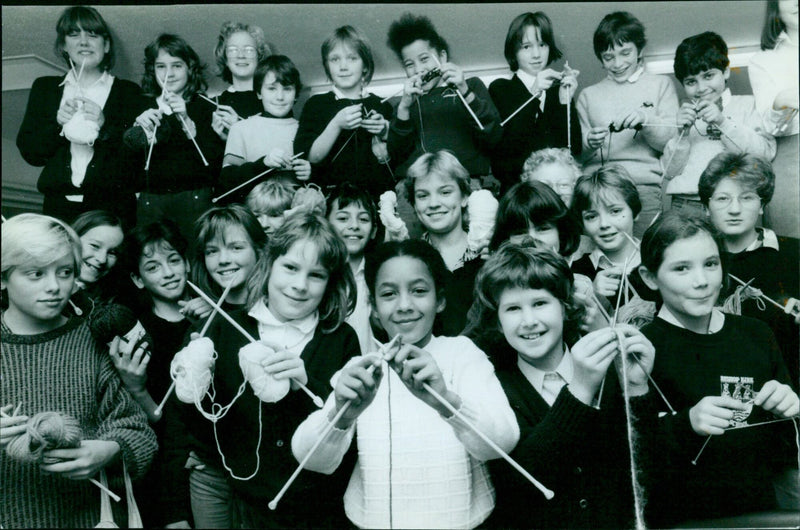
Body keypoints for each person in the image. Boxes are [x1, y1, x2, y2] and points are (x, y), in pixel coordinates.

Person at [291, 239, 519, 529]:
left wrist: (444, 400)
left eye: (419, 291)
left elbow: (503, 442)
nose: (404, 305)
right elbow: (310, 458)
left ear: (441, 300)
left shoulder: (462, 354)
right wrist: (342, 414)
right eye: (388, 294)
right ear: (373, 307)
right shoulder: (360, 369)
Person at [165, 212, 359, 528]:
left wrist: (307, 386)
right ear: (269, 264)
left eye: (316, 275)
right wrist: (193, 380)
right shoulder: (224, 326)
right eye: (291, 268)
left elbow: (345, 431)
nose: (299, 285)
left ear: (330, 282)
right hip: (240, 501)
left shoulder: (340, 339)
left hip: (310, 506)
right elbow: (190, 429)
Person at [469, 242, 657, 529]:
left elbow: (647, 470)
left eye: (540, 303)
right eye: (513, 308)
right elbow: (523, 484)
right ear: (497, 319)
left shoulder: (610, 369)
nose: (529, 321)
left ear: (565, 306)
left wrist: (636, 388)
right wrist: (580, 390)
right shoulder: (492, 385)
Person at [637, 212, 799, 526]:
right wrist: (685, 423)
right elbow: (629, 458)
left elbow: (781, 451)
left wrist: (788, 408)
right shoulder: (641, 349)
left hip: (760, 515)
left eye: (710, 264)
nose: (701, 281)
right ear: (649, 277)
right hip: (681, 521)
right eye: (681, 268)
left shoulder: (757, 333)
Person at [0, 213, 157, 528]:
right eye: (35, 274)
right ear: (3, 277)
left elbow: (139, 432)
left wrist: (109, 451)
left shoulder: (91, 340)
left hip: (88, 518)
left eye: (65, 272)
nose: (55, 287)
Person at [16, 6, 140, 227]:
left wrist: (104, 126)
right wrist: (58, 124)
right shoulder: (45, 88)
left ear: (107, 45)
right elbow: (30, 152)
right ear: (64, 45)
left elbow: (136, 158)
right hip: (57, 208)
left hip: (112, 210)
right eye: (74, 34)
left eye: (92, 34)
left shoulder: (128, 92)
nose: (83, 42)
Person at [116, 219, 193, 527]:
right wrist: (136, 388)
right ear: (138, 279)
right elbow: (146, 422)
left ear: (187, 262)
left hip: (210, 460)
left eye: (174, 260)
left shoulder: (213, 317)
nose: (169, 272)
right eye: (153, 267)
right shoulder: (135, 334)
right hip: (160, 465)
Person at [698, 152, 799, 386]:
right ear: (706, 206)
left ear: (762, 205)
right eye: (722, 199)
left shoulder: (794, 253)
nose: (735, 209)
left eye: (746, 198)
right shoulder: (695, 261)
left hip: (786, 388)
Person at [577, 11, 679, 237]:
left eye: (626, 53)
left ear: (640, 50)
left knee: (646, 255)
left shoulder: (661, 85)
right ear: (600, 58)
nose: (618, 63)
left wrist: (646, 121)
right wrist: (589, 142)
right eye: (608, 57)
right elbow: (577, 156)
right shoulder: (587, 95)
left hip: (644, 189)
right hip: (598, 191)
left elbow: (672, 145)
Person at [663, 31, 776, 217]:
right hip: (685, 205)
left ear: (726, 71)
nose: (701, 88)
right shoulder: (684, 116)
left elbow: (764, 154)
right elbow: (669, 172)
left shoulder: (749, 105)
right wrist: (681, 135)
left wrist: (722, 122)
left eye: (708, 76)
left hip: (734, 206)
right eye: (691, 81)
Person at [386, 13, 502, 191]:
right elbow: (395, 154)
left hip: (467, 182)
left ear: (442, 57)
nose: (419, 70)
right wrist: (403, 108)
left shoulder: (471, 85)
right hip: (415, 187)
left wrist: (465, 91)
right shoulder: (405, 104)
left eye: (424, 59)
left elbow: (493, 135)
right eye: (410, 64)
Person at [124, 34, 224, 240]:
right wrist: (138, 132)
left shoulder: (206, 106)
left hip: (196, 200)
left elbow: (214, 165)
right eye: (161, 66)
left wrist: (187, 120)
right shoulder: (139, 106)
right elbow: (125, 164)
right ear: (153, 70)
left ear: (190, 68)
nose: (168, 73)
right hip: (151, 201)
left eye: (177, 65)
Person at [295, 25, 394, 199]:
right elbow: (310, 157)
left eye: (352, 58)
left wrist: (385, 131)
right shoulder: (315, 104)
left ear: (365, 65)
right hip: (330, 200)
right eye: (334, 59)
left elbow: (396, 158)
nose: (343, 66)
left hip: (374, 199)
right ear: (327, 66)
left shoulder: (381, 105)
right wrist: (336, 124)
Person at [489, 12, 581, 192]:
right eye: (526, 47)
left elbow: (574, 149)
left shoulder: (557, 91)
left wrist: (565, 101)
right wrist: (533, 95)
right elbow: (506, 150)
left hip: (557, 193)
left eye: (542, 44)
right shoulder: (500, 88)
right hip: (518, 192)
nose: (537, 54)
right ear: (513, 51)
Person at [405, 150, 484, 335]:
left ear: (464, 197)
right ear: (415, 205)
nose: (434, 203)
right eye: (423, 195)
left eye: (445, 192)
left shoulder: (487, 254)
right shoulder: (409, 259)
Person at [219, 54, 311, 204]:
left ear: (296, 95)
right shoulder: (240, 129)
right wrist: (263, 163)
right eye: (271, 89)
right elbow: (226, 181)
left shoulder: (304, 129)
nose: (279, 97)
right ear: (259, 93)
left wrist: (309, 172)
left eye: (287, 89)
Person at [569, 166, 655, 308]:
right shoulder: (577, 272)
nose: (604, 224)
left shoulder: (657, 262)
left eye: (615, 211)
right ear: (582, 223)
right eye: (591, 216)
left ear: (635, 211)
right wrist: (594, 296)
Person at [749, 0, 800, 238]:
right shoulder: (763, 60)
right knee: (793, 251)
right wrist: (781, 100)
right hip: (792, 166)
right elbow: (770, 127)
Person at [326, 182, 380, 353]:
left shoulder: (380, 274)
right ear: (326, 224)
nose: (354, 225)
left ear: (373, 231)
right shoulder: (321, 275)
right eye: (343, 218)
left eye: (363, 219)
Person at [210, 21, 273, 140]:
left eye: (248, 49)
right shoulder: (215, 104)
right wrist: (225, 139)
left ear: (259, 56)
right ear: (225, 58)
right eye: (233, 49)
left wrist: (239, 131)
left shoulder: (275, 98)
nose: (241, 55)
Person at [69, 209, 126, 316]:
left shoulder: (112, 307)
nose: (102, 259)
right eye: (95, 246)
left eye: (112, 252)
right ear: (72, 240)